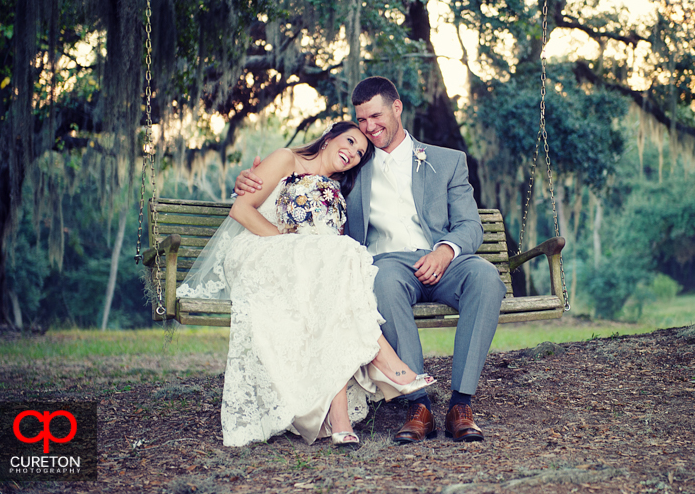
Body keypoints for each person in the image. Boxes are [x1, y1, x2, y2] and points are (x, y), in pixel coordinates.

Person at [236, 77, 506, 443]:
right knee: (382, 281)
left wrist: (444, 252)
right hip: (388, 264)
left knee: (486, 277)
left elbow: (470, 226)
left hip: (443, 259)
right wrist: (254, 180)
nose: (369, 127)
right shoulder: (354, 164)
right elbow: (303, 176)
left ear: (397, 108)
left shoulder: (447, 161)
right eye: (361, 120)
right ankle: (418, 405)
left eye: (376, 116)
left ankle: (461, 404)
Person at [178, 121, 436, 449]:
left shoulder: (336, 188)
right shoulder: (286, 158)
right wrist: (292, 246)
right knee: (330, 262)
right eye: (350, 141)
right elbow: (241, 209)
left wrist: (306, 251)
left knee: (330, 296)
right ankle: (383, 359)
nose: (354, 153)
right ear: (329, 137)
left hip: (307, 266)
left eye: (360, 153)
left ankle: (340, 420)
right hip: (260, 251)